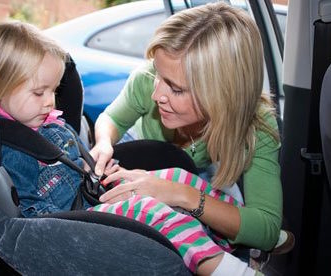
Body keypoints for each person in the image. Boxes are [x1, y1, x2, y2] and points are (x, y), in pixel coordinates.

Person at [0, 21, 262, 275]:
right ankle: (219, 267)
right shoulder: (16, 150)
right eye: (39, 93)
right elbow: (37, 220)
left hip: (93, 192)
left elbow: (73, 161)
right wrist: (95, 201)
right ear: (0, 88)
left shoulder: (47, 124)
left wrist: (93, 170)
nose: (51, 102)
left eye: (54, 91)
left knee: (174, 177)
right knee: (152, 209)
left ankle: (231, 233)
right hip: (81, 221)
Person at [91, 0, 282, 271]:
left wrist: (181, 194)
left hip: (199, 176)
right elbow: (111, 118)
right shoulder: (147, 80)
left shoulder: (257, 125)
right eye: (158, 75)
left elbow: (267, 229)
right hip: (141, 152)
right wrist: (103, 143)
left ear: (223, 94)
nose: (157, 94)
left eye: (176, 89)